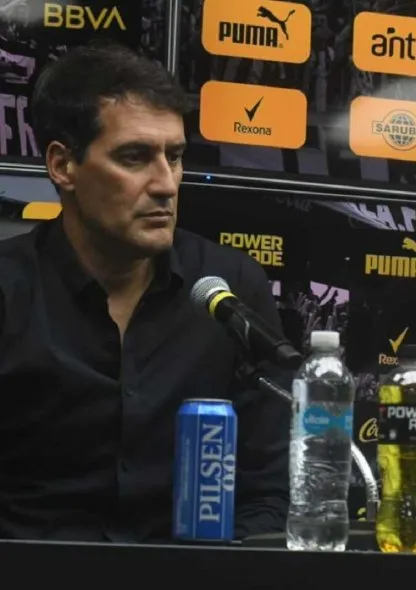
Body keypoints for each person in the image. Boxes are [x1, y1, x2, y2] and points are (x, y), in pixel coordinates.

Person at [0, 42, 290, 542]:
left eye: (174, 157)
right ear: (63, 166)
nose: (166, 184)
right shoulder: (9, 290)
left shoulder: (231, 289)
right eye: (134, 158)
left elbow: (266, 489)